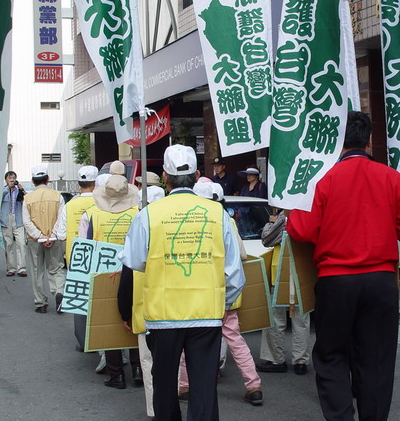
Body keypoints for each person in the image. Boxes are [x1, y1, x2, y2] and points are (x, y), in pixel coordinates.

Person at [286, 111, 400, 421]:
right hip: (381, 281)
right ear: (369, 141)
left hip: (336, 281)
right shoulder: (391, 177)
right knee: (376, 360)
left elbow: (301, 230)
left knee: (332, 356)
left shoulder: (322, 179)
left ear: (336, 140)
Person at [120, 144, 245, 421]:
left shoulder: (149, 214)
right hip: (206, 315)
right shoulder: (217, 214)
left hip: (162, 315)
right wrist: (222, 303)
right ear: (197, 175)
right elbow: (234, 273)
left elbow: (135, 260)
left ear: (165, 177)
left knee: (164, 385)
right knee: (204, 386)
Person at [179, 182, 263, 406]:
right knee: (235, 339)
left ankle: (185, 385)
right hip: (225, 292)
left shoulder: (188, 220)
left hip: (197, 292)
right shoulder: (227, 220)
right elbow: (241, 256)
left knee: (189, 338)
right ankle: (253, 385)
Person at [79, 170, 140, 390]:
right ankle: (137, 369)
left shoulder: (93, 214)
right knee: (134, 319)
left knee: (109, 323)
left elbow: (86, 246)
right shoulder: (138, 212)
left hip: (104, 273)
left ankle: (117, 375)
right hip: (134, 271)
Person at [256, 211, 311, 376]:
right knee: (301, 320)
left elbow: (267, 239)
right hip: (302, 270)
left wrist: (272, 222)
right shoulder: (308, 212)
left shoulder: (283, 216)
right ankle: (301, 361)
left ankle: (276, 359)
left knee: (275, 319)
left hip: (280, 271)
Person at [56, 165, 98, 348]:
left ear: (79, 183)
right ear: (95, 183)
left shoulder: (70, 205)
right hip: (99, 256)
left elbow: (60, 234)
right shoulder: (100, 203)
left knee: (80, 301)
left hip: (76, 258)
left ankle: (83, 342)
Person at [22, 165, 66, 314]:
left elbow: (26, 221)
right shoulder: (58, 196)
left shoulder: (27, 198)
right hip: (54, 238)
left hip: (35, 240)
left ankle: (40, 302)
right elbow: (61, 218)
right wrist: (51, 235)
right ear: (47, 179)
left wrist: (39, 236)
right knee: (57, 267)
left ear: (33, 181)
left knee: (36, 270)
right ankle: (59, 291)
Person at [0, 171, 27, 277]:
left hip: (18, 218)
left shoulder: (19, 190)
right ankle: (11, 268)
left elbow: (27, 199)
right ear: (6, 180)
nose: (12, 180)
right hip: (6, 219)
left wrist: (22, 189)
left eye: (14, 178)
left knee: (21, 243)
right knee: (8, 244)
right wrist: (8, 189)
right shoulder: (3, 190)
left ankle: (22, 268)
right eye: (10, 178)